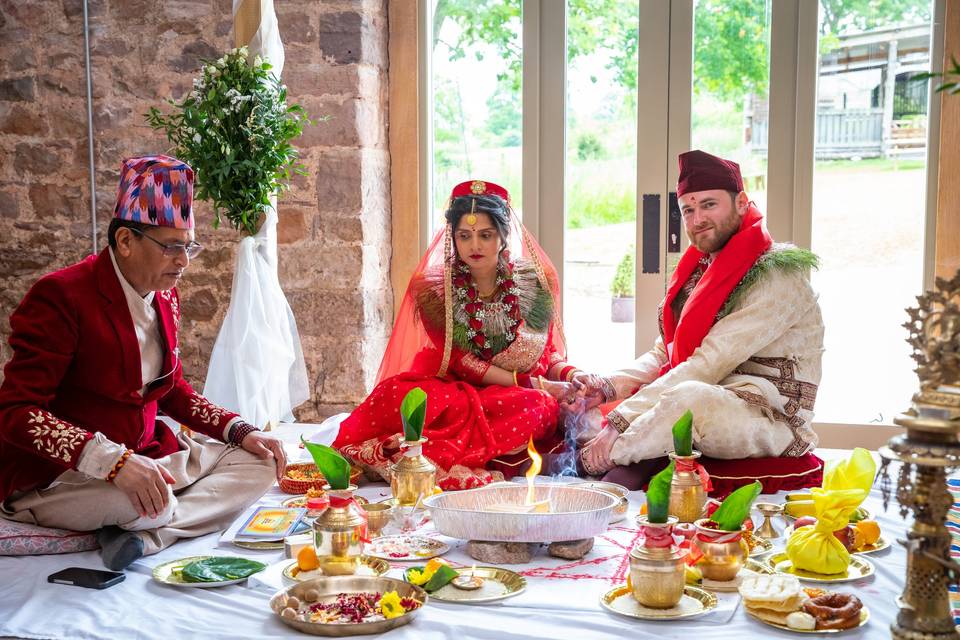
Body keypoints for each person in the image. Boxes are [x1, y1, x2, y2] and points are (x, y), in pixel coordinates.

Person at [0, 155, 286, 570]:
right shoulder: (61, 296)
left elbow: (171, 390)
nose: (184, 261)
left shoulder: (165, 294)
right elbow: (16, 412)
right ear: (125, 241)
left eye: (188, 246)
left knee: (261, 463)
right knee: (151, 501)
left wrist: (238, 429)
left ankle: (149, 535)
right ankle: (154, 516)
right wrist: (112, 462)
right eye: (171, 246)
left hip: (147, 455)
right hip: (63, 475)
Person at [576, 150, 825, 490]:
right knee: (595, 408)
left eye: (709, 205)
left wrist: (618, 422)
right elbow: (666, 353)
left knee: (688, 399)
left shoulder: (777, 276)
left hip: (770, 415)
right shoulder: (698, 270)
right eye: (688, 210)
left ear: (741, 202)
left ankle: (596, 459)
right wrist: (608, 387)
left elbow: (706, 364)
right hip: (713, 390)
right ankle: (613, 459)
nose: (697, 220)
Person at [334, 180, 581, 489]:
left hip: (511, 396)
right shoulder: (436, 293)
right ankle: (429, 453)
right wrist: (531, 381)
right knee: (397, 395)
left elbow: (543, 354)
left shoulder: (534, 284)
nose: (474, 246)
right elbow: (462, 362)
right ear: (453, 239)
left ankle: (442, 453)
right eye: (464, 236)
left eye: (485, 235)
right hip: (455, 388)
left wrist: (571, 374)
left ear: (503, 238)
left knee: (539, 405)